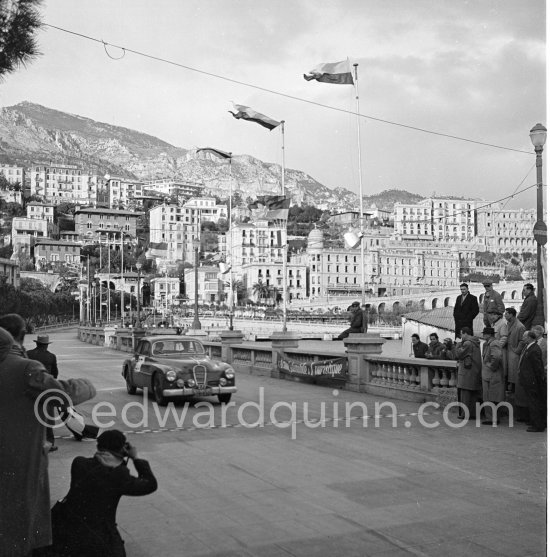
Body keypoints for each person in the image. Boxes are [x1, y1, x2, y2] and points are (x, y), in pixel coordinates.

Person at [0, 316, 96, 556]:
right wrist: (86, 384)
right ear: (22, 335)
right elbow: (61, 390)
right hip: (19, 461)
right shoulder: (24, 367)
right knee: (19, 522)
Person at [49, 429, 158, 557]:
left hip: (65, 531)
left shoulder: (79, 463)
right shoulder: (119, 475)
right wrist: (135, 458)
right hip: (97, 537)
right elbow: (150, 484)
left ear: (98, 447)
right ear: (123, 450)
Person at [28, 335, 60, 452]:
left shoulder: (28, 354)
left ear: (37, 343)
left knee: (32, 416)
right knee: (48, 418)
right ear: (46, 345)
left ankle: (32, 442)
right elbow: (55, 374)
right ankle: (49, 443)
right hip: (46, 390)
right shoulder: (51, 357)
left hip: (31, 389)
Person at [518, 331, 546, 432]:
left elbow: (537, 368)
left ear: (530, 337)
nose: (523, 338)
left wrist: (536, 381)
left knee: (534, 403)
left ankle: (538, 425)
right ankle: (535, 422)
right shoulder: (529, 347)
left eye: (524, 336)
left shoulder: (534, 349)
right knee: (532, 402)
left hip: (532, 381)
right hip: (529, 380)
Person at [455, 326, 482, 419]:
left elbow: (459, 354)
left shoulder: (467, 343)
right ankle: (473, 414)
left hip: (467, 372)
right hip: (474, 371)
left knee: (465, 395)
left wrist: (458, 344)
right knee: (473, 395)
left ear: (465, 333)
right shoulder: (476, 342)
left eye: (461, 334)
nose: (461, 336)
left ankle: (465, 414)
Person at [480, 327, 505, 425]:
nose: (483, 336)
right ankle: (493, 418)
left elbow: (497, 356)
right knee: (491, 397)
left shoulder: (493, 343)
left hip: (491, 374)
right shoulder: (490, 343)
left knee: (489, 397)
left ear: (488, 335)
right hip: (490, 374)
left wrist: (491, 366)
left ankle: (491, 418)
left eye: (484, 334)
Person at [503, 307, 526, 394]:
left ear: (512, 315)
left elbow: (522, 340)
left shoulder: (520, 326)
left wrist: (517, 350)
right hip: (508, 350)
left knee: (514, 372)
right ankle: (510, 388)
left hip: (514, 352)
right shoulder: (508, 324)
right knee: (509, 371)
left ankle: (514, 390)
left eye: (506, 314)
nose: (505, 315)